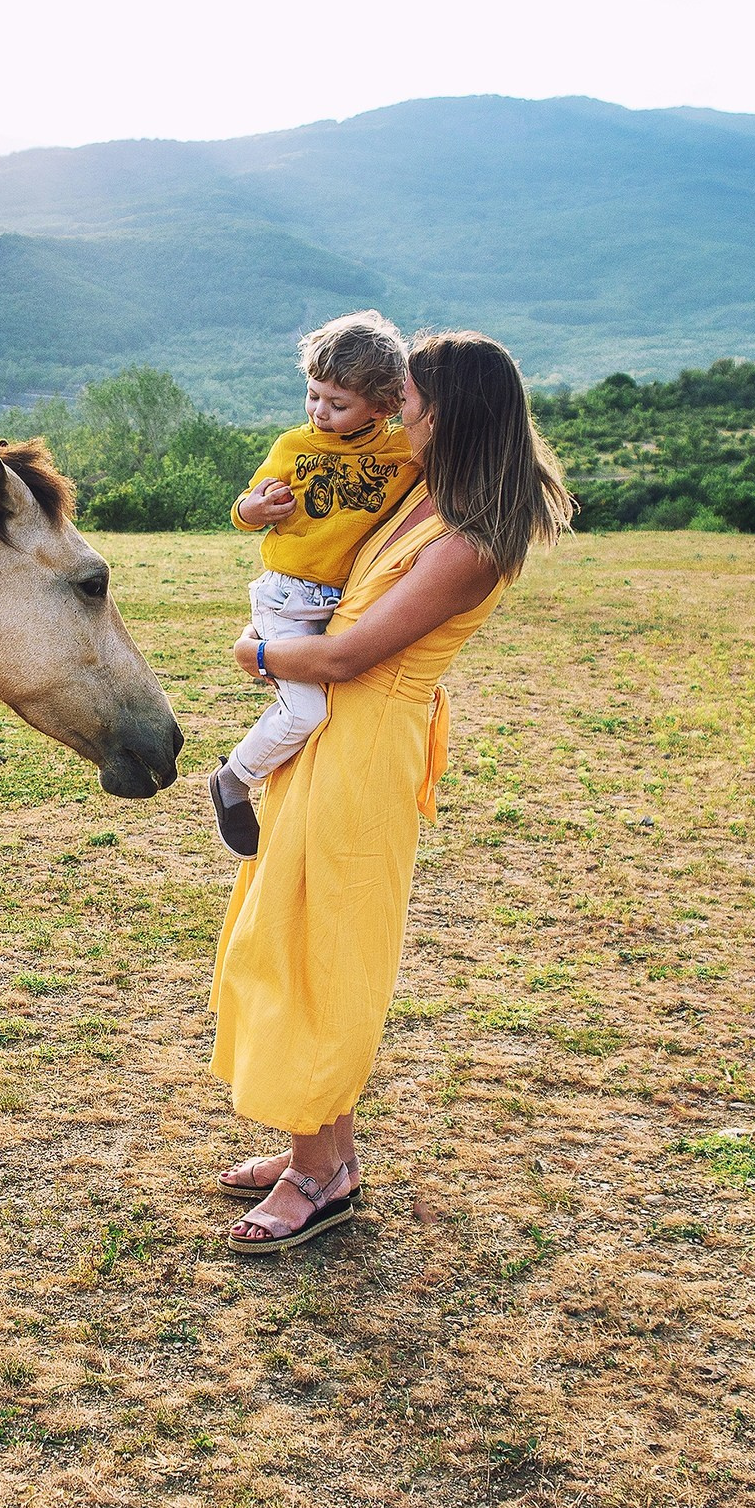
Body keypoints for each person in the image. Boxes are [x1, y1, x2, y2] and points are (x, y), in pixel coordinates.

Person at [207, 330, 573, 1254]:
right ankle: (325, 1150)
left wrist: (256, 654)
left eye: (407, 397)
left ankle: (315, 1177)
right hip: (333, 736)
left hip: (367, 745)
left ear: (448, 415)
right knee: (288, 932)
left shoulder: (471, 542)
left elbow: (348, 654)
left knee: (319, 950)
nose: (394, 408)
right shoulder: (424, 494)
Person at [208, 310, 420, 860]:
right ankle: (234, 779)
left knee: (330, 708)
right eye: (312, 395)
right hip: (288, 593)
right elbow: (245, 509)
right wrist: (254, 508)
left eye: (338, 403)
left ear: (385, 404)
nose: (319, 412)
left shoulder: (402, 452)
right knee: (308, 713)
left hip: (343, 600)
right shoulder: (293, 445)